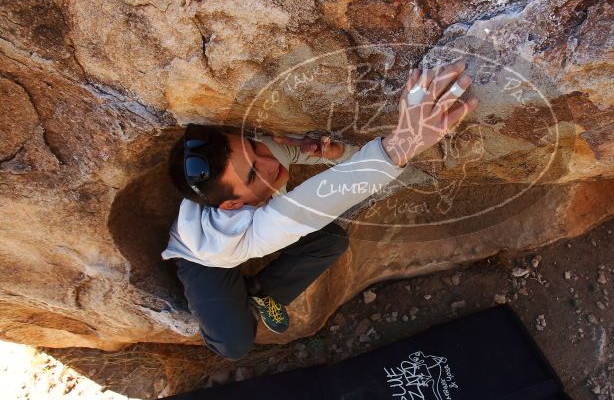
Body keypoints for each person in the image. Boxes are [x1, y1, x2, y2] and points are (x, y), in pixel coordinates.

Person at [161, 58, 478, 360]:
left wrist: (334, 152)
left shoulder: (259, 160)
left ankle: (260, 290)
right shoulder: (226, 239)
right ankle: (234, 304)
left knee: (330, 242)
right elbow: (308, 205)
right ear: (232, 205)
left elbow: (300, 158)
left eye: (256, 148)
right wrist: (403, 142)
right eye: (255, 173)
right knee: (234, 343)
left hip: (258, 222)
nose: (270, 161)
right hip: (203, 261)